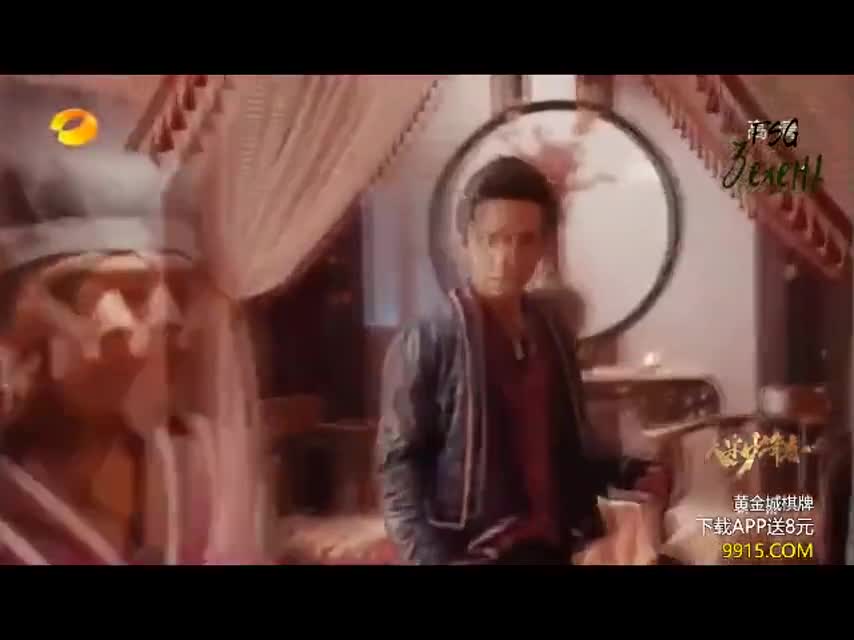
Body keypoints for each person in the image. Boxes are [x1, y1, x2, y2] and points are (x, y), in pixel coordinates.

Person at [376, 155, 668, 565]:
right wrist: (429, 560)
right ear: (467, 241)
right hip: (471, 550)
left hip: (550, 545)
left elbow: (568, 445)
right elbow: (398, 469)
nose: (507, 258)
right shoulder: (429, 339)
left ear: (544, 245)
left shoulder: (552, 332)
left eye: (525, 241)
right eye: (494, 239)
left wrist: (628, 471)